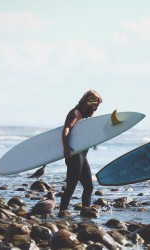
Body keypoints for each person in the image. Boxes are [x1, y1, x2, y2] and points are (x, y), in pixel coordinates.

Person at [58, 90, 102, 218]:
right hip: (74, 154)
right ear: (90, 103)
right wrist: (66, 148)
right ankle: (62, 211)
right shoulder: (75, 113)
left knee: (88, 186)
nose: (96, 109)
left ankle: (85, 211)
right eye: (96, 105)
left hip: (82, 156)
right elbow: (66, 128)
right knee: (71, 186)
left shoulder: (84, 116)